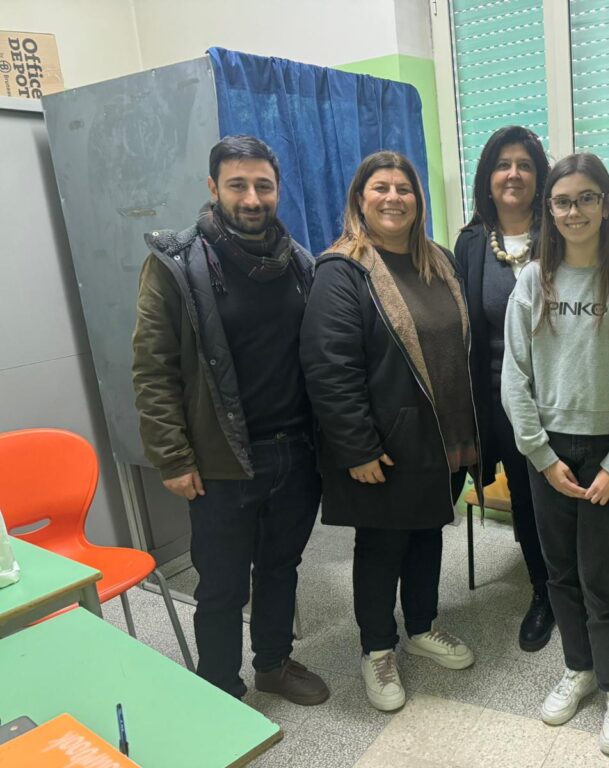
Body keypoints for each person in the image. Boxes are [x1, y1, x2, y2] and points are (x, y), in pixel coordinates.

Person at [131, 135, 329, 705]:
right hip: (220, 460)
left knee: (281, 568)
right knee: (221, 585)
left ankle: (273, 664)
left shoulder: (299, 263)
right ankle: (220, 686)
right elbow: (152, 369)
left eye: (263, 186)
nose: (251, 198)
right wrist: (173, 457)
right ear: (213, 187)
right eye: (237, 185)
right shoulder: (175, 264)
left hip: (294, 451)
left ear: (277, 190)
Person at [300, 151, 479, 713]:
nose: (394, 197)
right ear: (360, 198)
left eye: (404, 188)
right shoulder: (342, 270)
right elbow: (330, 367)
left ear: (418, 201)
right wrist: (357, 447)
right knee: (381, 546)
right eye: (381, 187)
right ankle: (377, 647)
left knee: (428, 532)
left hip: (444, 436)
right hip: (386, 445)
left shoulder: (439, 261)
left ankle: (421, 626)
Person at [501, 153, 609, 756]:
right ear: (549, 209)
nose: (575, 211)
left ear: (606, 204)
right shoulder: (532, 279)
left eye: (586, 198)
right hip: (548, 452)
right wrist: (541, 456)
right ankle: (580, 668)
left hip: (606, 453)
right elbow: (514, 376)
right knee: (560, 572)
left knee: (602, 577)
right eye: (563, 201)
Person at [453, 125, 555, 652]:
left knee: (569, 497)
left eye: (524, 164)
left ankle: (582, 588)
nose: (513, 174)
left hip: (563, 397)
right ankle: (545, 592)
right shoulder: (471, 243)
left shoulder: (563, 232)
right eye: (502, 164)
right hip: (499, 401)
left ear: (540, 178)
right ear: (487, 178)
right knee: (527, 499)